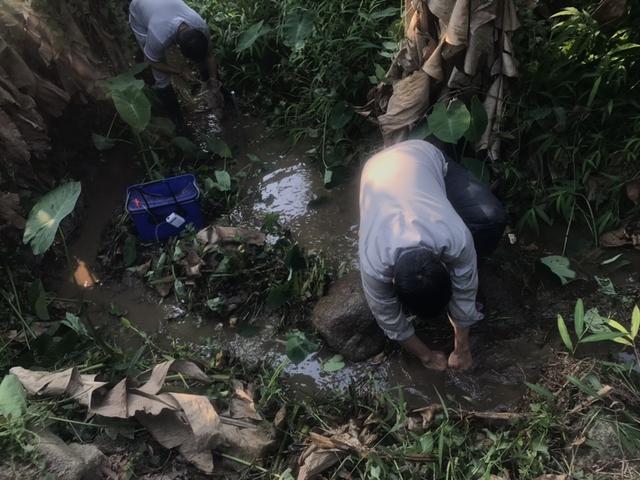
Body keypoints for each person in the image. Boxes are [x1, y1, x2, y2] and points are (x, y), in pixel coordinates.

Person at [358, 140, 507, 371]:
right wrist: (425, 356)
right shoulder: (373, 263)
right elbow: (389, 318)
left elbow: (465, 291)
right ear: (393, 281)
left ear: (442, 263)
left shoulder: (455, 237)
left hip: (421, 156)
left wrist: (462, 348)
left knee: (490, 218)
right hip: (375, 172)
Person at [128, 0, 224, 129]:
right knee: (161, 78)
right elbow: (152, 61)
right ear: (179, 47)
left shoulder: (200, 26)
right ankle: (177, 123)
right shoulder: (158, 37)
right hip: (138, 9)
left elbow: (209, 55)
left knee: (204, 63)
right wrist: (179, 71)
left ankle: (222, 101)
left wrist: (213, 81)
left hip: (161, 8)